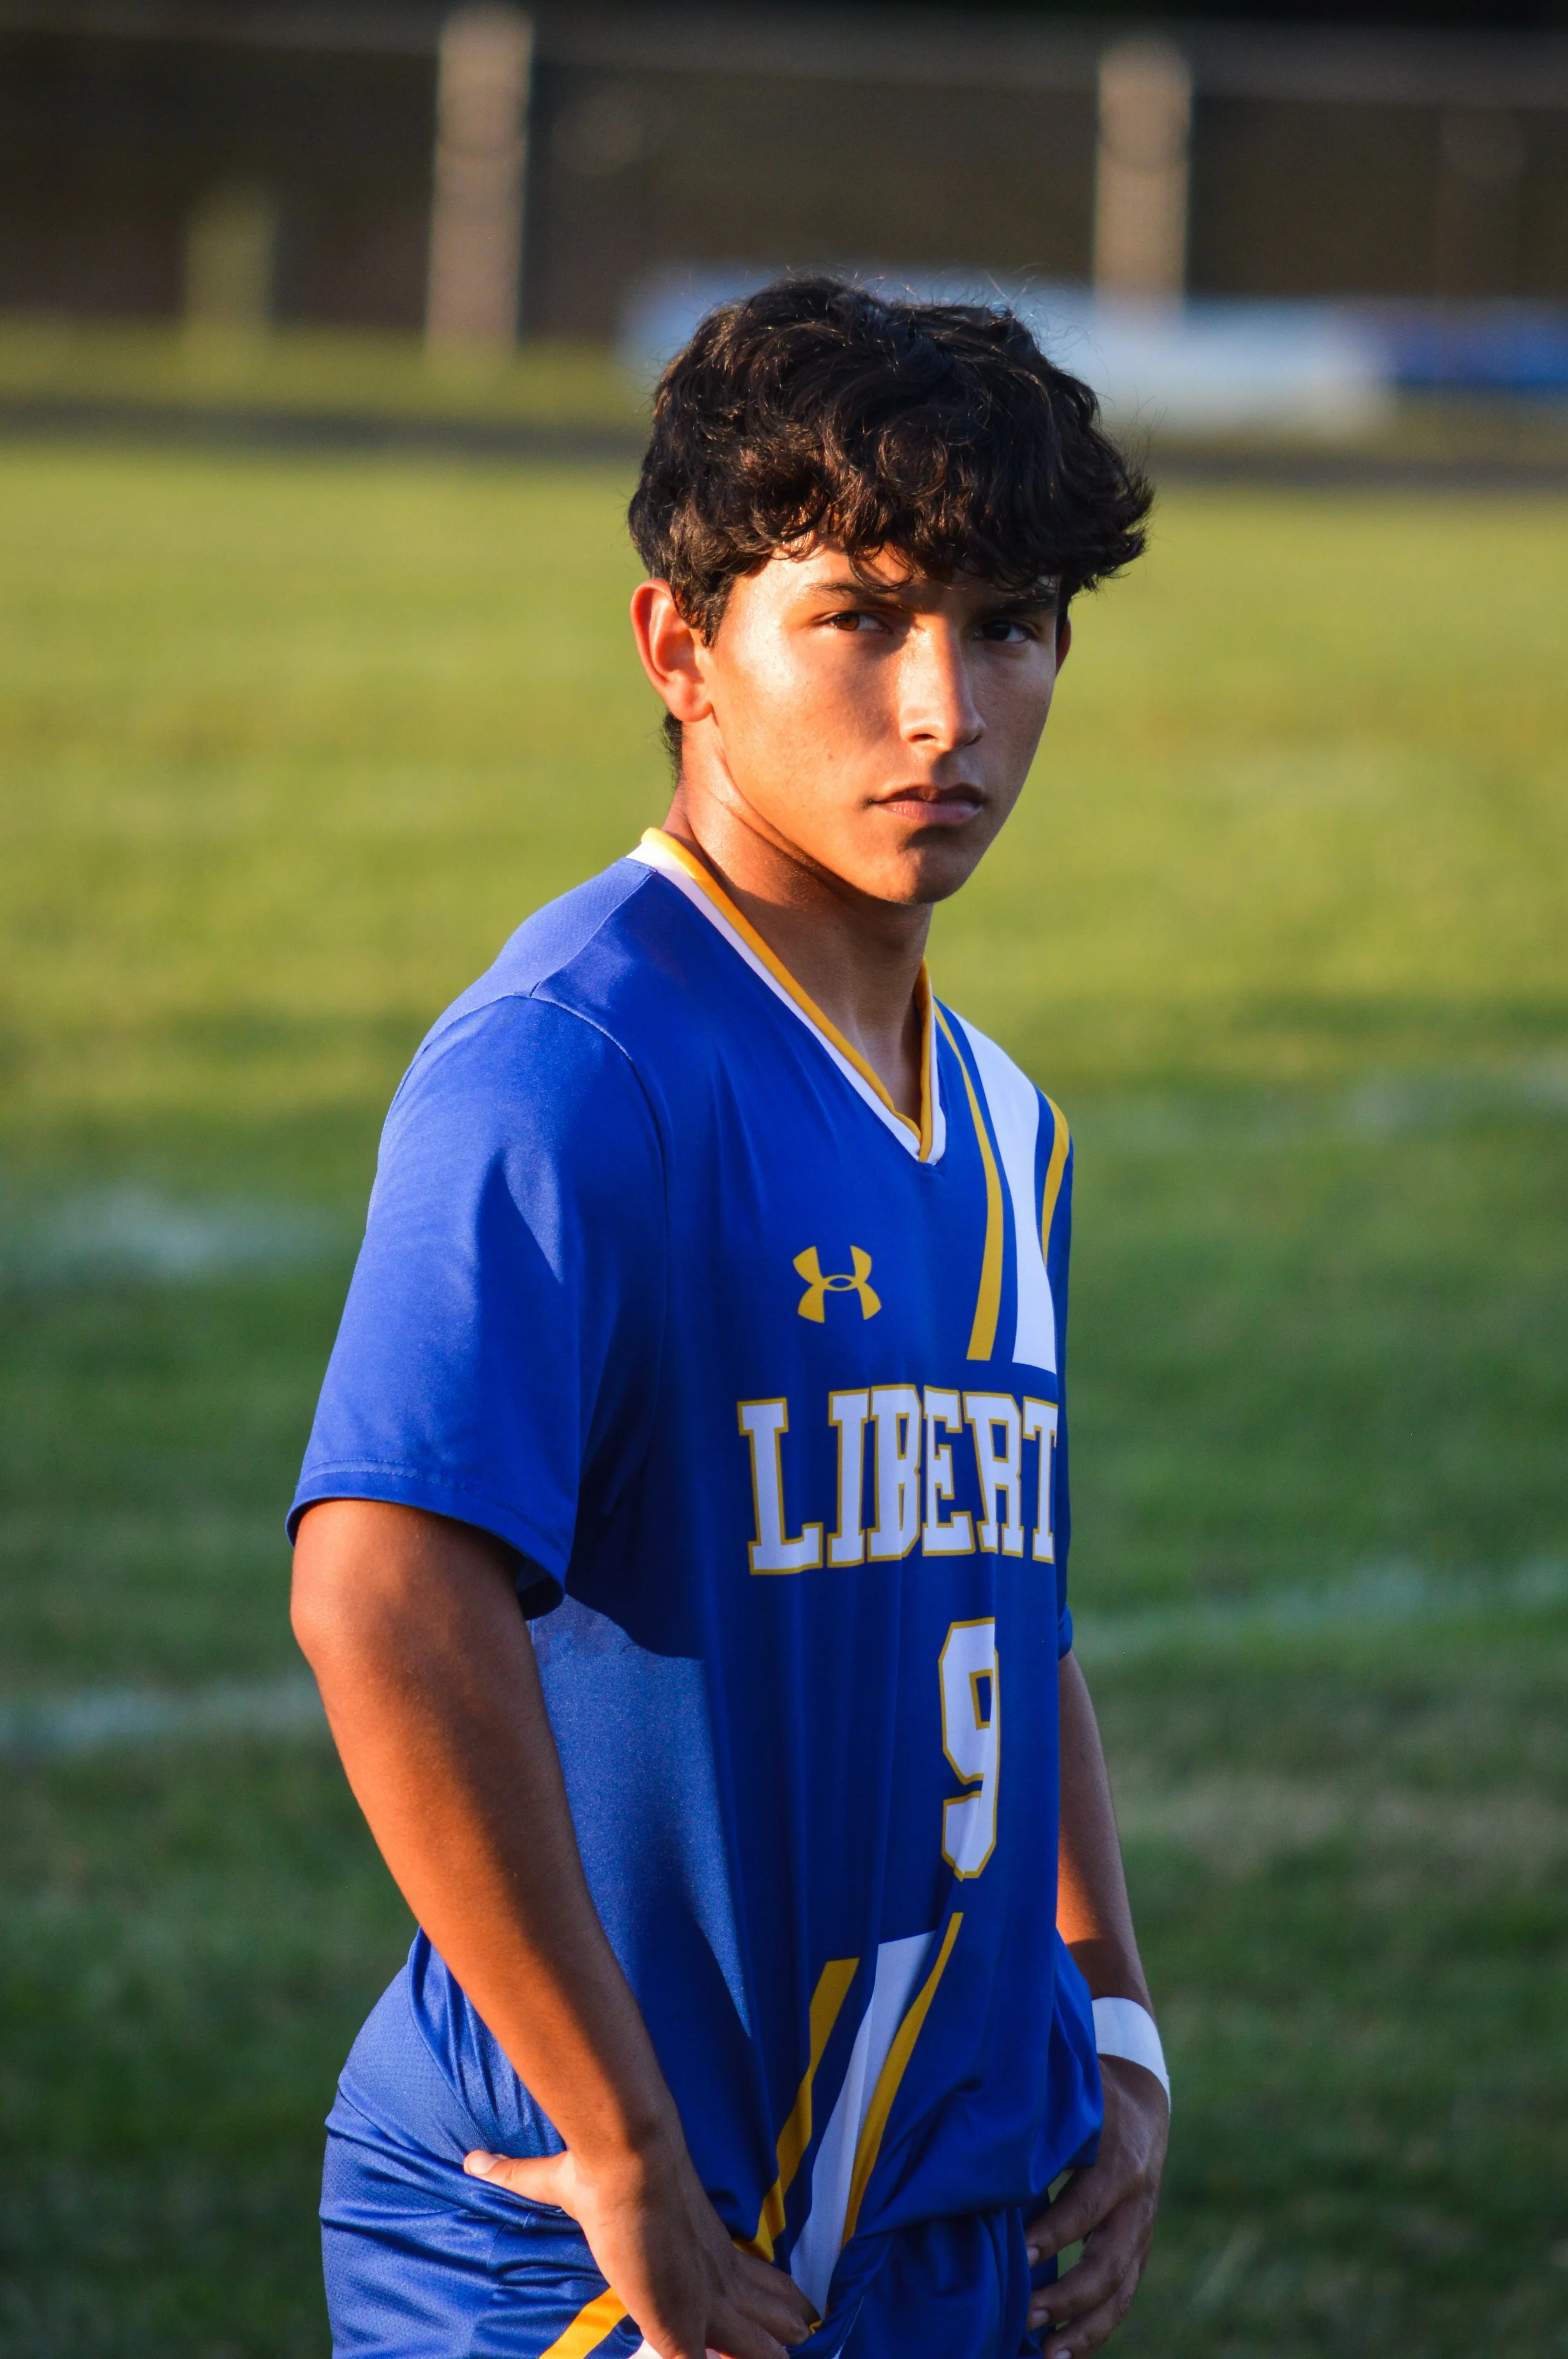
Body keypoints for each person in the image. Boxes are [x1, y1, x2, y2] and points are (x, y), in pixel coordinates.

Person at [289, 277, 1167, 2359]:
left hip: (946, 2218)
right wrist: (619, 2151)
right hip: (594, 2242)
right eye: (859, 621)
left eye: (1010, 623)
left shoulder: (1007, 1126)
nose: (947, 705)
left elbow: (995, 1607)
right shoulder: (574, 1068)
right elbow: (384, 1595)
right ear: (681, 650)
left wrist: (1110, 2010)